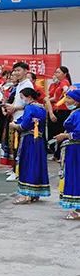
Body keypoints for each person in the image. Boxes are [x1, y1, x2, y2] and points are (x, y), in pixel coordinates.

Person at [11, 88, 50, 204]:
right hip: (39, 141)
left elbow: (24, 125)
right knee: (36, 164)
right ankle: (35, 193)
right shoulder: (42, 108)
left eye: (22, 97)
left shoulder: (29, 108)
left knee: (27, 164)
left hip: (28, 140)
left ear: (28, 97)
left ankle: (26, 194)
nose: (22, 100)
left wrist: (14, 125)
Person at [4, 62, 35, 181]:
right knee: (14, 146)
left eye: (18, 70)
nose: (16, 73)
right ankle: (15, 169)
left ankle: (17, 171)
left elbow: (28, 103)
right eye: (15, 71)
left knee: (18, 146)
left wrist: (14, 108)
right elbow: (17, 101)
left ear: (26, 71)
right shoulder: (19, 84)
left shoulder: (27, 85)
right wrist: (10, 107)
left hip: (22, 119)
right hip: (16, 117)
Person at [54, 84, 80, 219]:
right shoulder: (75, 112)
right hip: (73, 150)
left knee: (77, 176)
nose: (66, 101)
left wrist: (65, 136)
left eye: (69, 98)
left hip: (77, 151)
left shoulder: (78, 114)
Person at [45, 66, 72, 162]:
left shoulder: (64, 82)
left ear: (64, 74)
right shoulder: (58, 83)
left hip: (63, 111)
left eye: (58, 72)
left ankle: (60, 154)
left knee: (61, 132)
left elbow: (66, 90)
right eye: (55, 72)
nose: (56, 74)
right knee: (55, 133)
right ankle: (56, 154)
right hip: (57, 110)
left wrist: (63, 97)